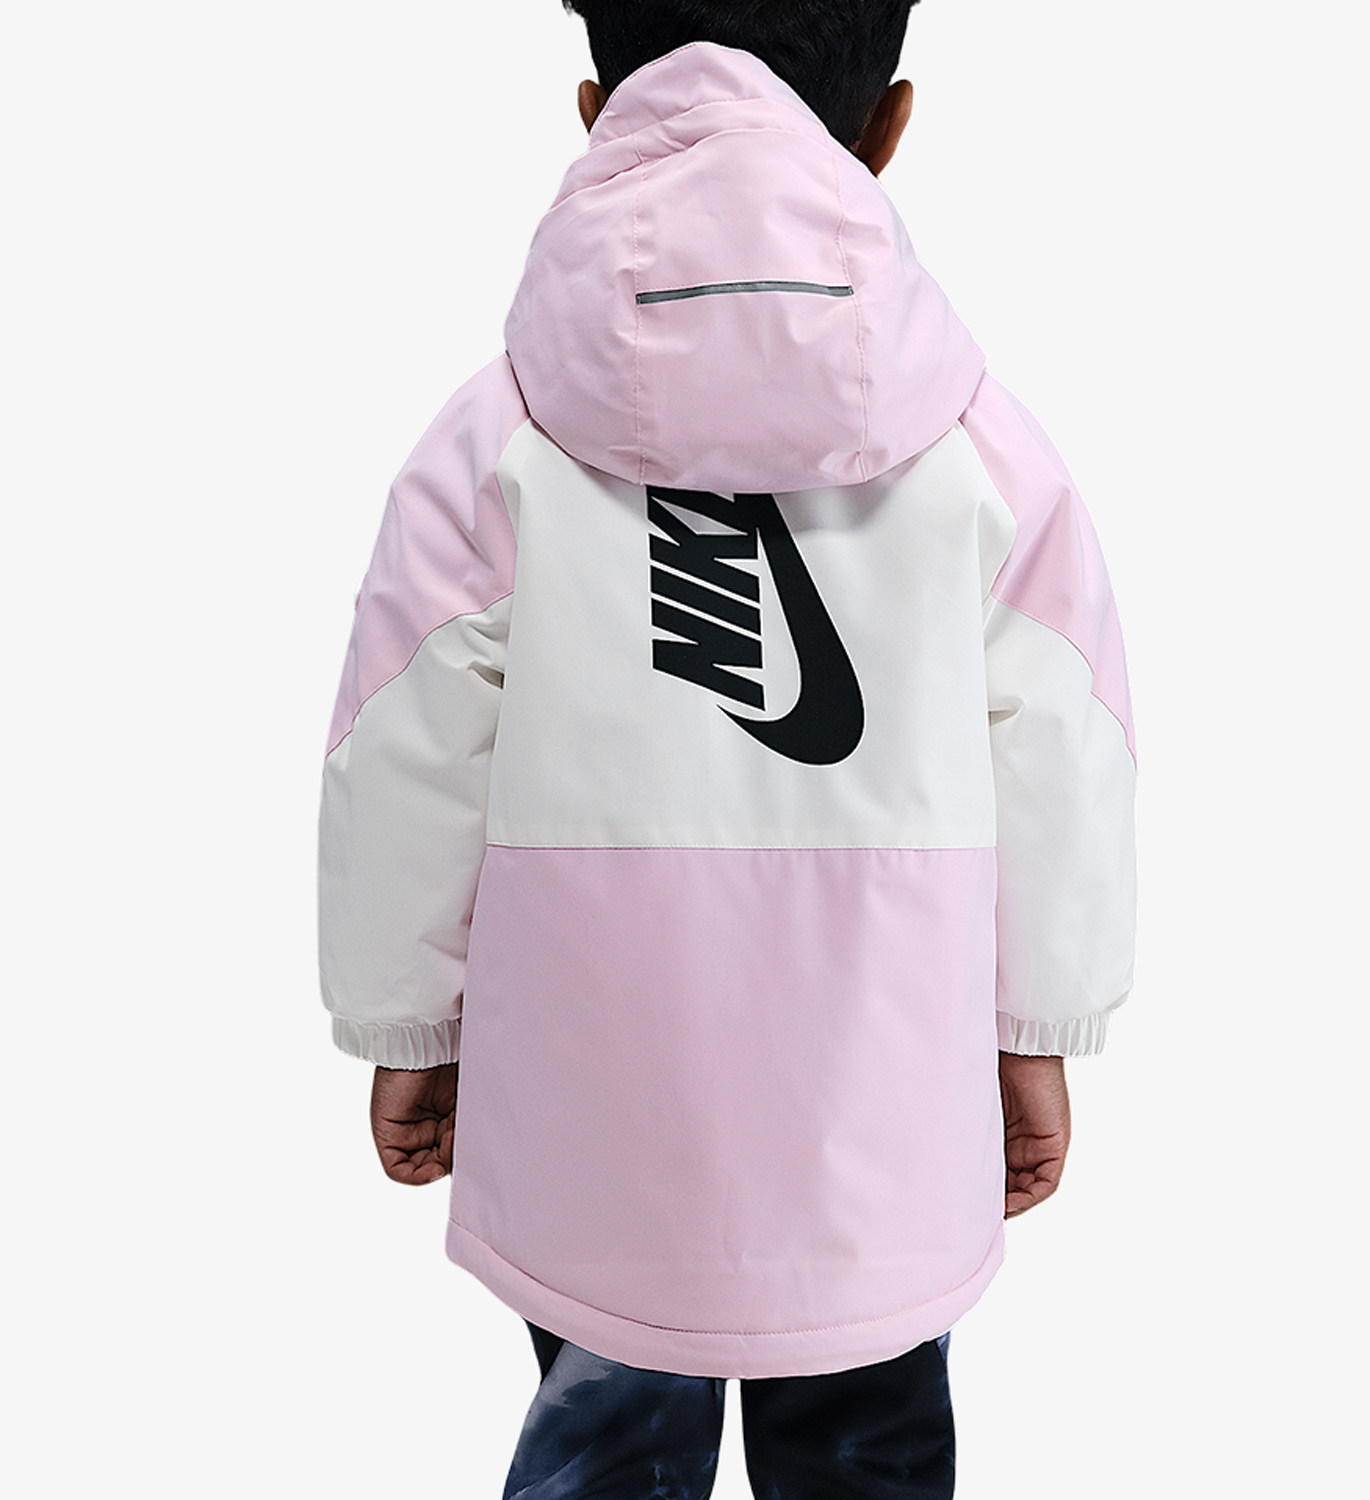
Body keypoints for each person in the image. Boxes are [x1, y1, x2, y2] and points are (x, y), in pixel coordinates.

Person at [317, 2, 1137, 1494]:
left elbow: (405, 746)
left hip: (595, 1117)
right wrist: (1037, 1029)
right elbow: (1067, 750)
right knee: (870, 1453)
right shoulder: (981, 441)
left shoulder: (498, 429)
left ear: (594, 110)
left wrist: (408, 1028)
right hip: (885, 1114)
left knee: (606, 1443)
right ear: (889, 126)